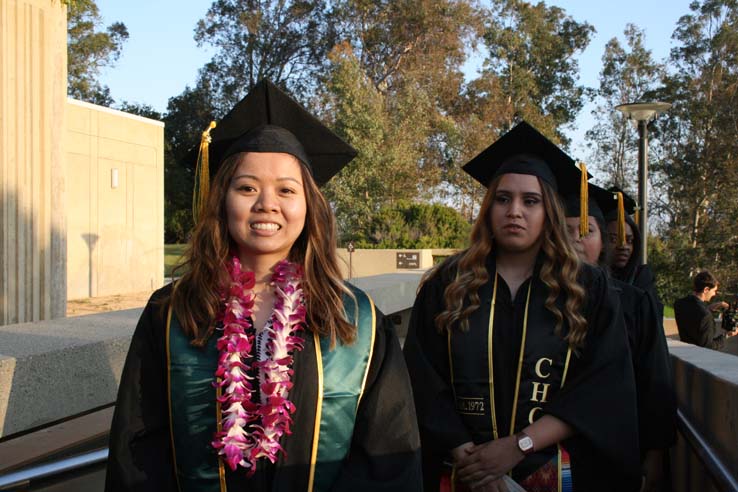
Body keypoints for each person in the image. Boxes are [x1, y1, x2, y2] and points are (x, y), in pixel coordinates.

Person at [105, 80, 422, 492]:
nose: (266, 204)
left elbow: (387, 454)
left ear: (309, 206)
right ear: (223, 199)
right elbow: (139, 448)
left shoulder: (356, 319)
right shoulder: (174, 312)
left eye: (286, 190)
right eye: (247, 187)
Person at [404, 121, 641, 492]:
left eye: (530, 201)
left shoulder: (586, 288)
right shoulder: (447, 284)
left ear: (549, 211)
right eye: (503, 198)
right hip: (461, 469)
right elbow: (421, 377)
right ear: (488, 208)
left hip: (559, 468)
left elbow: (603, 384)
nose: (515, 210)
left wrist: (519, 445)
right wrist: (476, 461)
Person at [563, 183, 676, 492]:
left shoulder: (635, 302)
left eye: (586, 231)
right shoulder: (542, 301)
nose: (575, 240)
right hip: (554, 452)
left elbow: (656, 382)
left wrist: (655, 454)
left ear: (602, 243)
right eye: (566, 230)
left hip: (619, 443)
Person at [605, 187, 664, 316]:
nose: (624, 246)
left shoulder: (643, 280)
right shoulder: (588, 280)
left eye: (630, 240)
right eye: (614, 239)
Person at [674, 270, 736, 350]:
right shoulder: (705, 315)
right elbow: (708, 347)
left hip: (684, 352)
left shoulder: (679, 304)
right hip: (698, 358)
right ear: (706, 289)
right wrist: (727, 335)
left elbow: (695, 313)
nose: (714, 294)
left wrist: (708, 308)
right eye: (714, 291)